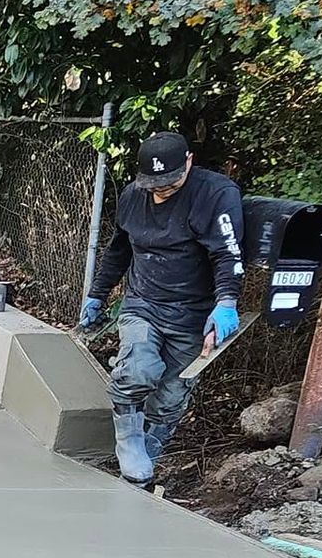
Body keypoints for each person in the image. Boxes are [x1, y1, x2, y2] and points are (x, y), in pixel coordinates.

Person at [79, 131, 245, 487]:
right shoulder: (132, 196)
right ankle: (129, 441)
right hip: (143, 303)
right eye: (153, 184)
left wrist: (226, 303)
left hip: (193, 311)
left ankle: (150, 448)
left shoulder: (215, 195)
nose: (161, 191)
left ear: (188, 161)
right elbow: (119, 249)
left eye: (169, 183)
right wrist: (98, 293)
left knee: (172, 392)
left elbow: (227, 253)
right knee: (138, 370)